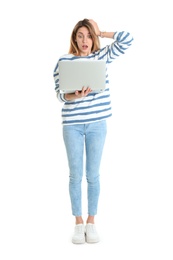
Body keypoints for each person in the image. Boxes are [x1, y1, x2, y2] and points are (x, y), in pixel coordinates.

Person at [53, 19, 134, 244]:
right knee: (75, 175)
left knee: (93, 175)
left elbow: (127, 39)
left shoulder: (101, 57)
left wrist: (102, 31)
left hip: (98, 124)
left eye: (89, 36)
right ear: (74, 38)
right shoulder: (64, 61)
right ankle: (78, 223)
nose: (85, 40)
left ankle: (91, 221)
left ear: (93, 38)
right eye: (80, 35)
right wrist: (74, 95)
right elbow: (59, 94)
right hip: (73, 125)